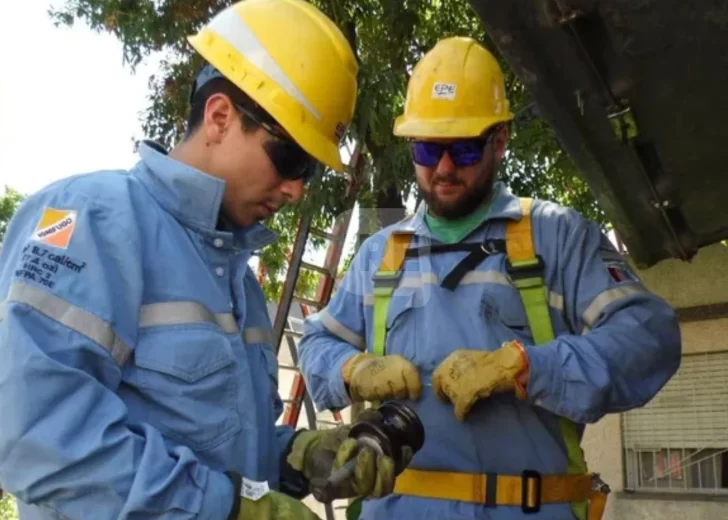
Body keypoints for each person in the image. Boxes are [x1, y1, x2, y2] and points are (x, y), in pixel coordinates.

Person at [0, 1, 400, 518]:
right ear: (219, 117)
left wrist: (296, 456)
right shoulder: (93, 221)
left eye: (311, 172)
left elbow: (223, 450)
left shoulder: (236, 278)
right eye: (292, 158)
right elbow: (32, 432)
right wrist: (226, 508)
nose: (298, 189)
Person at [297, 36, 682, 520]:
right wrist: (351, 371)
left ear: (499, 141)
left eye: (462, 149)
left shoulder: (556, 237)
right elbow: (315, 345)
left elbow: (650, 336)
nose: (442, 168)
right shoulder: (381, 254)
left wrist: (525, 367)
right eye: (426, 147)